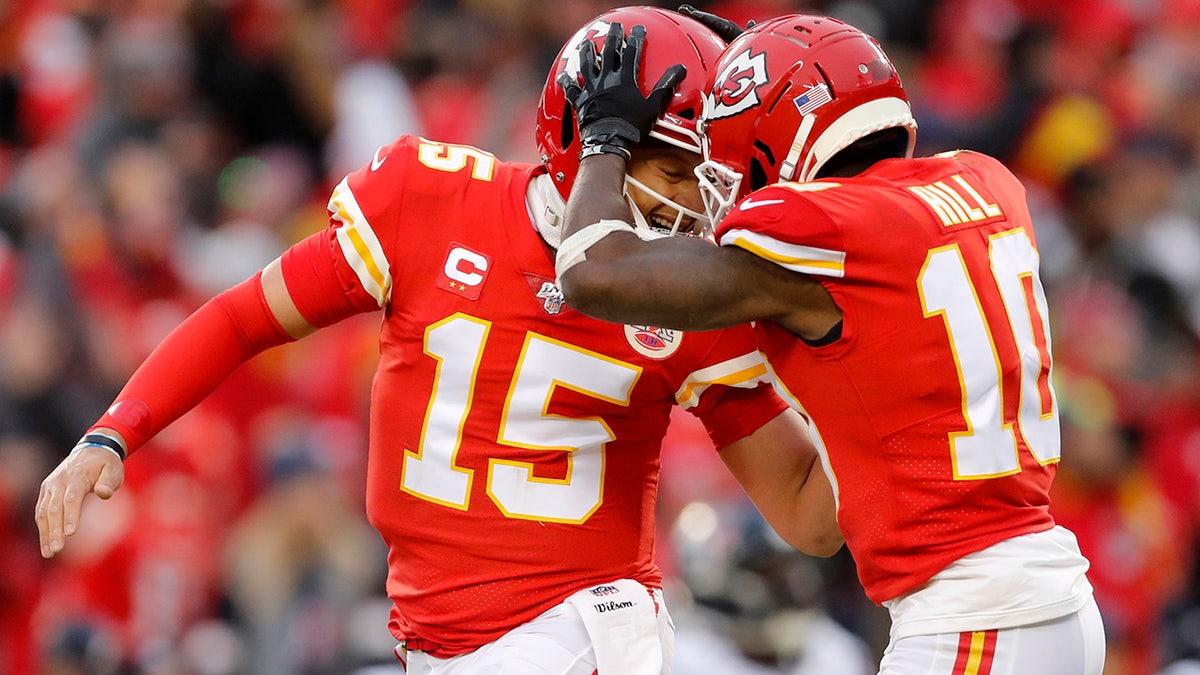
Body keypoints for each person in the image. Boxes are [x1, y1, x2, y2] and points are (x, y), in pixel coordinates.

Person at [34, 7, 841, 675]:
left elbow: (809, 516)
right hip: (445, 644)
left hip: (585, 635)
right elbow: (246, 317)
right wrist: (116, 428)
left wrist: (915, 410)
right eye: (671, 172)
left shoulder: (695, 299)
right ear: (587, 138)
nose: (692, 206)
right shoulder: (429, 202)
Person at [554, 13, 1106, 675]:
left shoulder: (826, 230)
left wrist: (604, 138)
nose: (727, 173)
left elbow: (593, 273)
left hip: (972, 613)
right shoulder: (984, 181)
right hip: (1044, 592)